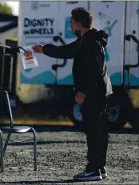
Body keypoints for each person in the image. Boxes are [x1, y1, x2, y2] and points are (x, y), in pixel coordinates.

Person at [32, 8, 113, 181]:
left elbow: (94, 70)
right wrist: (43, 49)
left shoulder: (89, 41)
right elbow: (66, 51)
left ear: (78, 23)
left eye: (71, 22)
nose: (70, 25)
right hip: (101, 91)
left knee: (93, 131)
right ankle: (99, 167)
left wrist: (83, 91)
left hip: (94, 93)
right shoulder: (89, 39)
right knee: (99, 130)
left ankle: (93, 170)